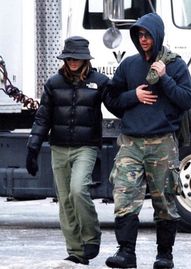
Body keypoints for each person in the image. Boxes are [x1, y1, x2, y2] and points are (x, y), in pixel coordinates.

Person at [105, 13, 191, 269]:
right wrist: (134, 96)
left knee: (164, 200)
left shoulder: (175, 65)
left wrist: (164, 78)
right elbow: (111, 99)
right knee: (124, 196)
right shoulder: (129, 65)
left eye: (147, 35)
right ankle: (126, 253)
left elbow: (186, 100)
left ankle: (164, 255)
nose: (143, 40)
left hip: (162, 142)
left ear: (157, 36)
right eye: (139, 35)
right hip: (130, 142)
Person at [26, 36, 111, 265]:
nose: (73, 61)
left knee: (77, 190)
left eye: (78, 58)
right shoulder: (53, 83)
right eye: (70, 57)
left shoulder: (100, 82)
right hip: (59, 147)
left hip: (86, 146)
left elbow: (117, 103)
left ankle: (91, 238)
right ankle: (76, 251)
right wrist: (33, 146)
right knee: (64, 200)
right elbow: (43, 117)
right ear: (65, 58)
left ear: (85, 59)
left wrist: (134, 96)